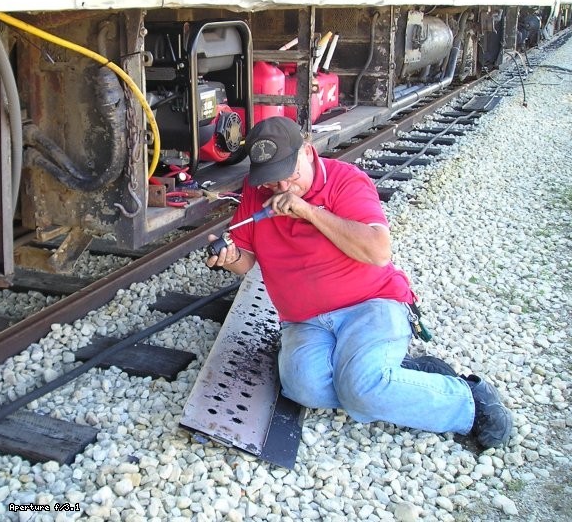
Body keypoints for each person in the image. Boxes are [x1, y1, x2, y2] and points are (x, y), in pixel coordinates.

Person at [205, 116, 512, 449]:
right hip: (304, 321)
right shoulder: (255, 192)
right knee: (303, 388)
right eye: (271, 182)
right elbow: (246, 261)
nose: (281, 189)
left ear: (307, 153)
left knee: (360, 389)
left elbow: (379, 251)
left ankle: (469, 402)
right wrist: (229, 258)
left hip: (371, 304)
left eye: (289, 176)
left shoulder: (346, 181)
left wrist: (309, 212)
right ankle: (393, 377)